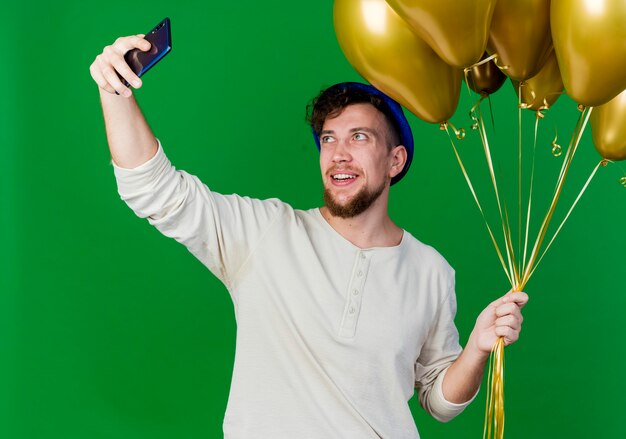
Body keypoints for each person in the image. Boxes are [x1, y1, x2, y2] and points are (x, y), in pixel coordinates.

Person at [90, 35, 528, 439]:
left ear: (395, 161)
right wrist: (114, 93)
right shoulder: (263, 232)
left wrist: (476, 349)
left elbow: (438, 401)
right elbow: (155, 191)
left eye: (359, 137)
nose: (338, 153)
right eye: (328, 138)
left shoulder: (431, 271)